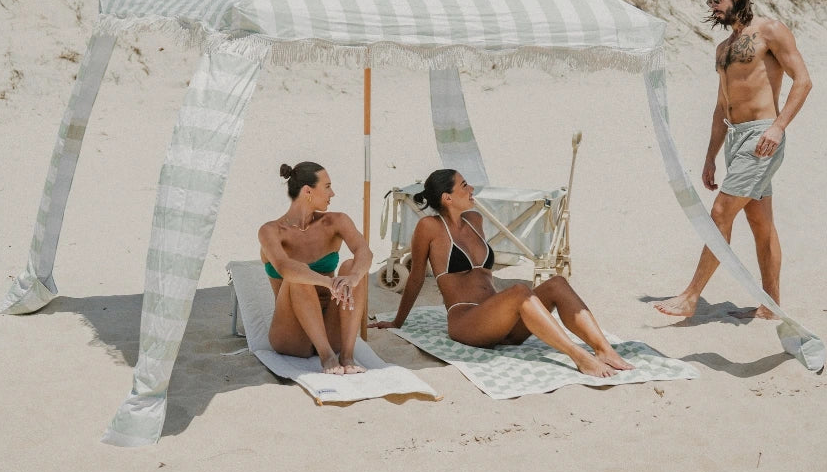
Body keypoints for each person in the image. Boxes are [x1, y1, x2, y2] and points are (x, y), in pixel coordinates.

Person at [655, 0, 812, 319]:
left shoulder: (770, 30)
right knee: (760, 222)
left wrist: (778, 127)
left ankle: (691, 295)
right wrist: (710, 156)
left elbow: (803, 81)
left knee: (721, 213)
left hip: (762, 137)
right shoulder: (723, 49)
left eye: (716, 0)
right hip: (735, 138)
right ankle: (771, 307)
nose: (712, 8)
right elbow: (720, 106)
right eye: (710, 2)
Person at [370, 169, 633, 378]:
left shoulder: (475, 221)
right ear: (447, 198)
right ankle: (579, 356)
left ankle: (604, 350)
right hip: (467, 322)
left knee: (557, 283)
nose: (471, 189)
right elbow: (415, 278)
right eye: (464, 185)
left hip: (502, 323)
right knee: (519, 291)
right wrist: (397, 322)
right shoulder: (429, 227)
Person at [258, 161, 373, 375]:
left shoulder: (336, 221)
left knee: (351, 266)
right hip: (292, 335)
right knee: (297, 274)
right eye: (327, 186)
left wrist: (353, 278)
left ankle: (347, 355)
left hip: (332, 326)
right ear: (307, 191)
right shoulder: (271, 231)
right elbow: (284, 268)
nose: (333, 193)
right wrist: (328, 282)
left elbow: (364, 252)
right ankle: (327, 357)